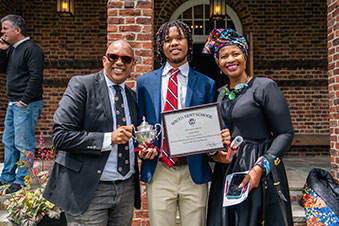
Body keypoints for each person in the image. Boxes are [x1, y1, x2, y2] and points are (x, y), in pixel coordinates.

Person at [136, 20, 228, 226]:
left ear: (188, 42)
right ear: (161, 46)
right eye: (167, 40)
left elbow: (211, 126)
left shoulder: (207, 83)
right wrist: (141, 147)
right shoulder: (145, 83)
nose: (174, 43)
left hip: (193, 171)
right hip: (159, 170)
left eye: (179, 38)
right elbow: (138, 125)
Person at [202, 28, 294, 226]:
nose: (230, 60)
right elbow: (211, 135)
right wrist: (214, 154)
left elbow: (285, 133)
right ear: (219, 63)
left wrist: (262, 166)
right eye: (224, 56)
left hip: (258, 167)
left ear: (244, 56)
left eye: (235, 54)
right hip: (226, 170)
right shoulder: (218, 94)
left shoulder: (264, 87)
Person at [43, 40, 141, 225]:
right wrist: (108, 138)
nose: (119, 62)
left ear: (132, 65)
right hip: (88, 189)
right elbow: (61, 136)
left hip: (126, 189)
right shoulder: (82, 85)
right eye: (113, 57)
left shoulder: (132, 97)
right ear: (104, 59)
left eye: (126, 59)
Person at [0, 14, 44, 194]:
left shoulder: (32, 49)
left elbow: (36, 77)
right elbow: (3, 70)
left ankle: (22, 180)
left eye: (5, 28)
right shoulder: (11, 49)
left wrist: (24, 101)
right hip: (13, 104)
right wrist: (2, 50)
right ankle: (7, 178)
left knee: (23, 144)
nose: (1, 32)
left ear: (17, 31)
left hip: (25, 105)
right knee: (9, 141)